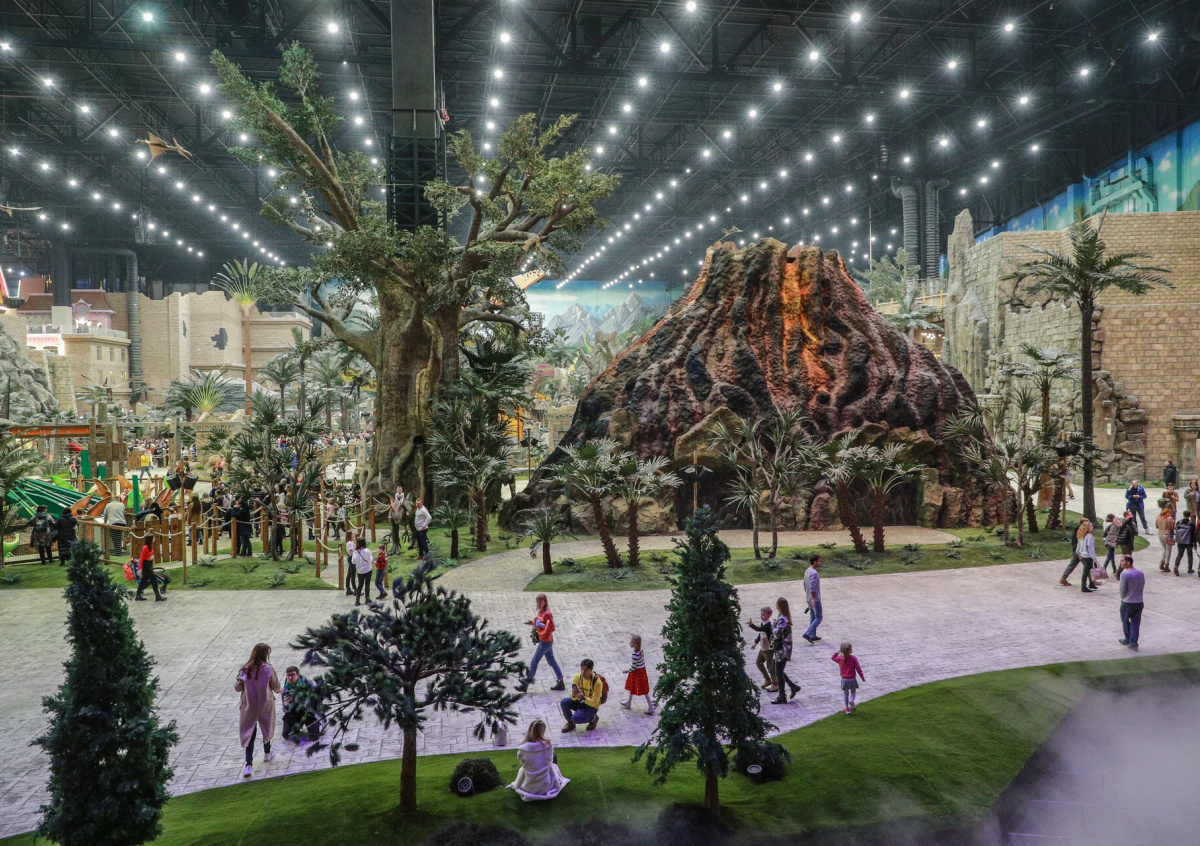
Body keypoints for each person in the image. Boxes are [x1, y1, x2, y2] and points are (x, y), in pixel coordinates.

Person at [235, 643, 282, 778]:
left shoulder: (245, 669)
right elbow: (275, 685)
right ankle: (267, 752)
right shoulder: (268, 669)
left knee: (249, 732)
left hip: (249, 705)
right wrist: (280, 690)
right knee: (266, 727)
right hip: (265, 704)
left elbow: (237, 687)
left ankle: (248, 764)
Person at [508, 719, 570, 802]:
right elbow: (550, 760)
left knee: (523, 769)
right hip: (545, 785)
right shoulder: (548, 745)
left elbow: (523, 762)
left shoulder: (522, 749)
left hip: (528, 786)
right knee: (553, 763)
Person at [515, 594, 565, 693]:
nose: (538, 604)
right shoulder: (540, 612)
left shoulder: (547, 614)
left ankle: (525, 685)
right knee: (552, 662)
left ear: (545, 602)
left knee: (534, 662)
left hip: (545, 642)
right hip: (545, 641)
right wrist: (533, 624)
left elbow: (551, 628)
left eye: (540, 602)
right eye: (537, 602)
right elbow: (541, 623)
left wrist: (540, 627)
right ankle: (561, 682)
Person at [770, 597, 801, 703]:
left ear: (778, 606)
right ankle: (793, 686)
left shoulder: (783, 619)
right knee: (775, 669)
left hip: (783, 649)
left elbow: (777, 633)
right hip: (779, 648)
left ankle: (782, 695)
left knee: (778, 671)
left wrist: (772, 626)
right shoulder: (781, 616)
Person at [559, 659, 604, 733]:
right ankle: (570, 723)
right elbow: (573, 697)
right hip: (580, 702)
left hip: (591, 706)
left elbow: (595, 702)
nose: (583, 672)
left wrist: (583, 698)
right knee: (564, 702)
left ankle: (593, 718)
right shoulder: (578, 678)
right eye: (582, 669)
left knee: (576, 718)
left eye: (585, 670)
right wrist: (574, 695)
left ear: (591, 670)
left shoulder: (597, 683)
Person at [281, 666, 320, 743]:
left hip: (308, 711)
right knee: (286, 735)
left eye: (292, 675)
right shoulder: (285, 690)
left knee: (314, 736)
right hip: (294, 712)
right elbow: (286, 710)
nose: (290, 677)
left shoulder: (308, 683)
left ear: (298, 675)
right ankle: (296, 728)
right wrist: (286, 704)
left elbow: (317, 699)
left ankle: (319, 725)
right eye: (288, 675)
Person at [619, 634, 654, 715]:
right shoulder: (641, 650)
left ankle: (651, 707)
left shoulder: (635, 655)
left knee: (644, 691)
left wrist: (626, 671)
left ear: (636, 644)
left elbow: (633, 667)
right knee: (633, 687)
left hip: (637, 672)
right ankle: (629, 702)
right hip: (641, 670)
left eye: (632, 642)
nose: (630, 643)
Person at [1117, 554, 1145, 651]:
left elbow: (1122, 589)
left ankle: (1128, 639)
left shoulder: (1124, 574)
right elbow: (1142, 585)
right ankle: (1133, 643)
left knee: (1125, 621)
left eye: (1122, 561)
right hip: (1139, 602)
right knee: (1135, 624)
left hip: (1127, 602)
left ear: (1128, 563)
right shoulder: (1140, 572)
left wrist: (1122, 597)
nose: (1120, 562)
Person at [747, 606, 777, 692]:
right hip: (763, 647)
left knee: (770, 667)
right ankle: (767, 679)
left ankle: (775, 684)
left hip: (768, 649)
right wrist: (756, 642)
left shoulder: (768, 625)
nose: (761, 616)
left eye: (763, 615)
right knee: (759, 662)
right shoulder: (763, 623)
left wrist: (751, 625)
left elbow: (758, 629)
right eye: (761, 615)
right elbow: (760, 633)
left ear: (769, 615)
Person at [832, 642, 866, 715]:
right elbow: (858, 669)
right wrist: (862, 677)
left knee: (846, 694)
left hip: (844, 679)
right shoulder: (853, 658)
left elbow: (833, 658)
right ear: (850, 650)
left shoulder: (840, 658)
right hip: (852, 679)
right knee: (853, 692)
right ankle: (852, 700)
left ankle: (847, 709)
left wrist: (837, 652)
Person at [134, 534, 164, 601]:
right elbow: (141, 558)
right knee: (154, 580)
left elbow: (148, 555)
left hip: (148, 564)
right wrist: (140, 569)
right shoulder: (145, 547)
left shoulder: (150, 546)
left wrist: (152, 557)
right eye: (153, 538)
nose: (154, 539)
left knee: (143, 580)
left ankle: (138, 595)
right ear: (150, 539)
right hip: (146, 565)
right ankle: (157, 596)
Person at [802, 554, 823, 643]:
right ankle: (808, 633)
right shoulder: (814, 573)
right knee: (819, 617)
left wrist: (808, 596)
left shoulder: (807, 571)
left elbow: (804, 584)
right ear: (815, 562)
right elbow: (812, 586)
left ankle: (812, 635)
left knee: (813, 616)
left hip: (808, 597)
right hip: (814, 599)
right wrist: (814, 598)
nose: (820, 563)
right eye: (819, 561)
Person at [350, 537, 373, 606]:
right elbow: (370, 560)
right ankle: (367, 598)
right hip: (368, 569)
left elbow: (353, 562)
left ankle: (357, 600)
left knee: (360, 585)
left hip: (360, 570)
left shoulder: (355, 552)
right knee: (367, 584)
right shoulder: (367, 551)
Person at [1076, 521, 1097, 593]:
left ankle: (1091, 583)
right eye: (1090, 526)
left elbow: (1078, 546)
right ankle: (1083, 586)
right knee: (1086, 571)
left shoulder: (1081, 535)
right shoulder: (1089, 537)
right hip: (1088, 556)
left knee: (1088, 570)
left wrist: (1079, 554)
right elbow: (1091, 549)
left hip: (1082, 555)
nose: (1092, 527)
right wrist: (1094, 558)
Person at [1155, 506, 1175, 572]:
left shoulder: (1158, 517)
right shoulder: (1170, 519)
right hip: (1168, 535)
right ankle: (1166, 565)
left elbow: (1156, 526)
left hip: (1160, 534)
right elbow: (1172, 527)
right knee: (1168, 551)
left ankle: (1161, 563)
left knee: (1164, 549)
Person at [1174, 511, 1195, 576]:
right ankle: (1190, 568)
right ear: (1189, 516)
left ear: (1183, 515)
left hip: (1180, 541)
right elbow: (1193, 535)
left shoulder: (1178, 522)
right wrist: (1195, 544)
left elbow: (1176, 531)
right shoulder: (1191, 524)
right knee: (1190, 555)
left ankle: (1176, 566)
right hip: (1189, 542)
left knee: (1179, 554)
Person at [388, 487, 406, 555]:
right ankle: (394, 546)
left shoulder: (402, 494)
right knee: (393, 532)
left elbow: (402, 499)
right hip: (396, 503)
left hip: (401, 503)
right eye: (398, 490)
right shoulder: (396, 495)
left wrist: (400, 503)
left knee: (404, 507)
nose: (399, 491)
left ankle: (396, 547)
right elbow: (395, 500)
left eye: (400, 490)